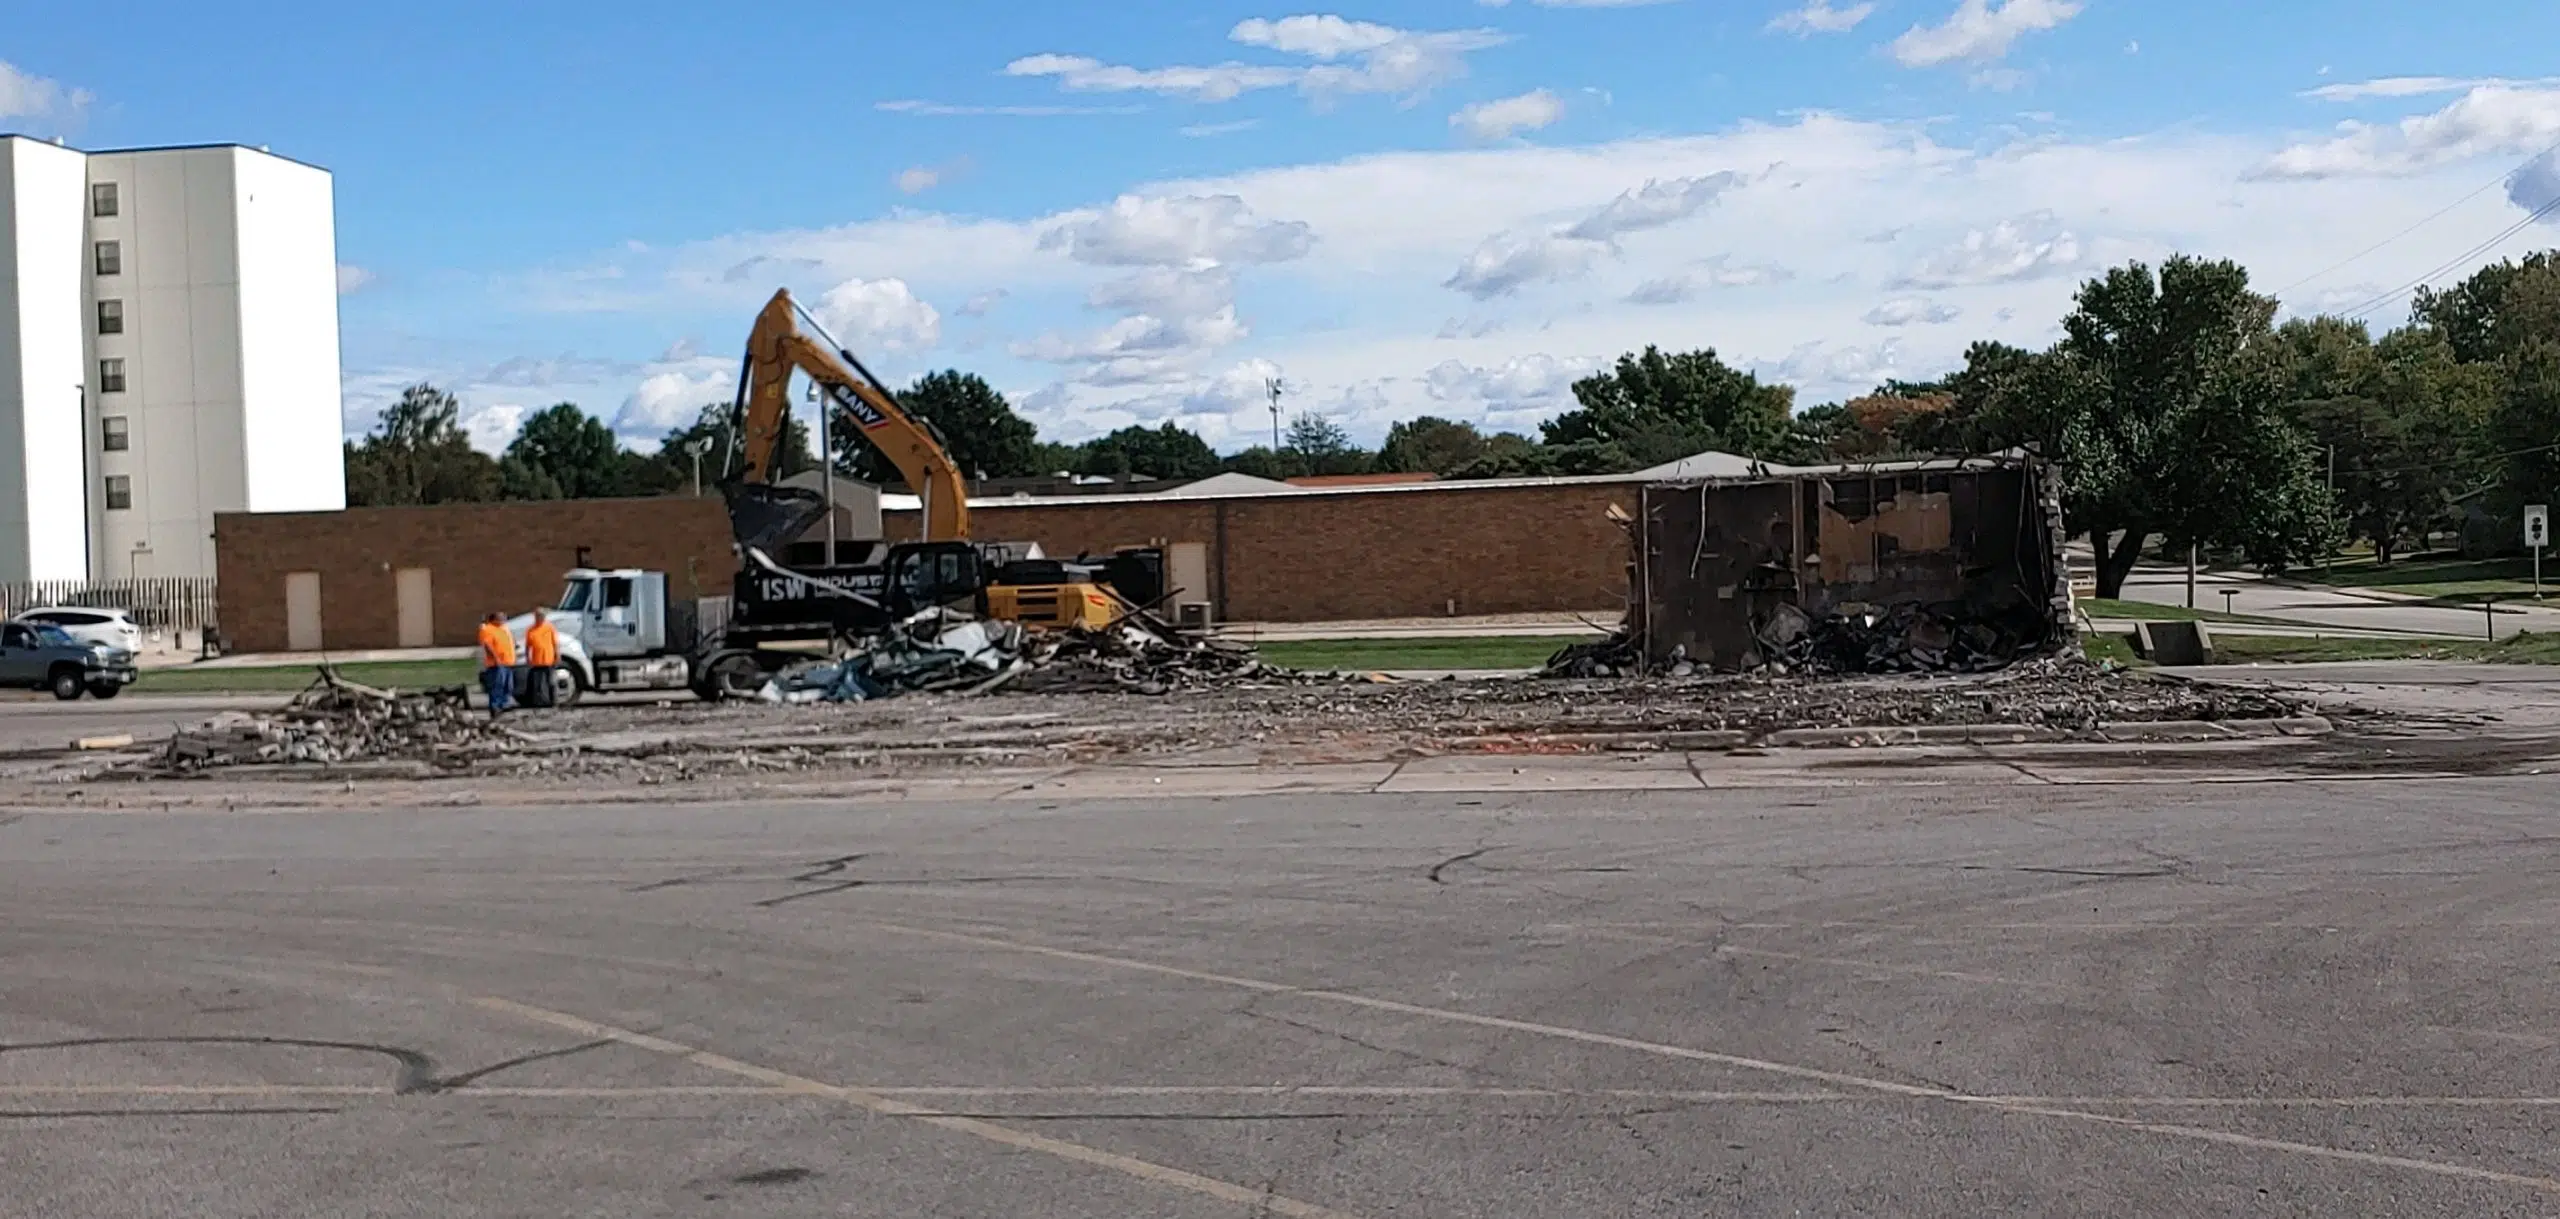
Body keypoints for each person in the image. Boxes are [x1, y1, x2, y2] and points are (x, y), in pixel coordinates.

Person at [476, 611, 517, 715]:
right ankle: (495, 706)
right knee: (497, 685)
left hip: (508, 661)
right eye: (501, 618)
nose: (504, 619)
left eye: (504, 617)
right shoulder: (488, 629)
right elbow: (487, 645)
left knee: (508, 685)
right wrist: (496, 658)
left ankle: (504, 704)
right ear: (494, 619)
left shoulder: (504, 629)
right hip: (496, 663)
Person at [521, 608, 559, 709]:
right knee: (537, 684)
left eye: (542, 616)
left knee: (551, 682)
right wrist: (527, 658)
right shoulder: (530, 629)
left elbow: (555, 643)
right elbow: (528, 646)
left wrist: (557, 655)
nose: (540, 618)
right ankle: (538, 702)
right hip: (536, 661)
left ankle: (553, 702)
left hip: (548, 660)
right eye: (538, 616)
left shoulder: (549, 628)